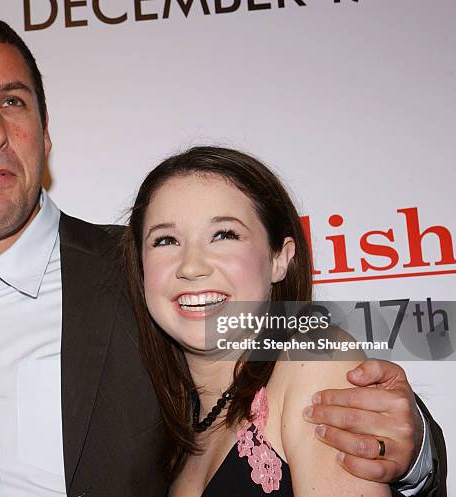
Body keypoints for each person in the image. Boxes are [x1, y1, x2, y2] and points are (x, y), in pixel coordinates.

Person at [0, 13, 445, 497]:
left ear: (45, 130)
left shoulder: (154, 277)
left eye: (13, 102)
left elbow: (311, 358)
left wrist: (410, 445)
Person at [122, 146, 447, 496]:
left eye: (224, 235)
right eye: (166, 240)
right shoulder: (160, 434)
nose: (191, 266)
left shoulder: (313, 361)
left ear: (280, 258)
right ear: (141, 270)